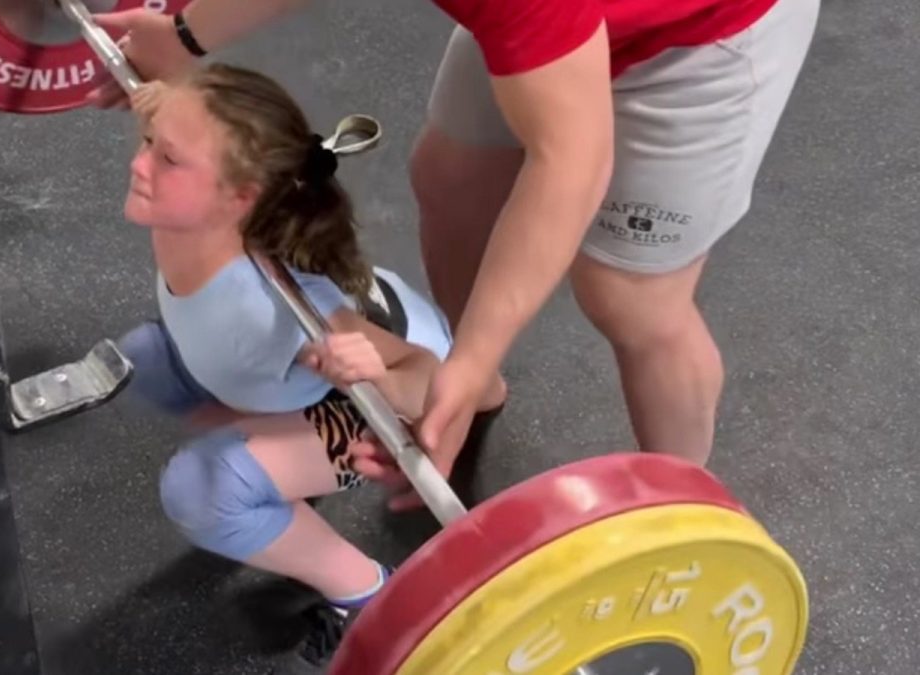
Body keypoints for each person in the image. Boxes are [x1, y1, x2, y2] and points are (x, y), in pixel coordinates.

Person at [89, 0, 821, 502]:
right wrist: (181, 36)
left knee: (628, 294)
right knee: (451, 179)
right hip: (559, 21)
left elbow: (572, 157)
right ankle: (476, 390)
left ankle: (683, 505)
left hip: (706, 30)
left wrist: (466, 357)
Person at [113, 63, 502, 673]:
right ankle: (272, 455)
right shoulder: (212, 205)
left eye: (167, 158)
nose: (141, 165)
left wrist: (377, 366)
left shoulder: (282, 311)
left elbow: (424, 379)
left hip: (386, 398)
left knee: (202, 490)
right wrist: (160, 104)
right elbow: (173, 120)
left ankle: (370, 596)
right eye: (149, 144)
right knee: (148, 357)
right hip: (297, 367)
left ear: (240, 197)